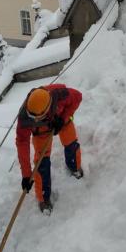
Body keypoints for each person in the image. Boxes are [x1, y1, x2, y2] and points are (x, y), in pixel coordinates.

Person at [16, 84, 83, 214]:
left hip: (61, 119)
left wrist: (62, 119)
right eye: (32, 117)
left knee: (71, 143)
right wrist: (26, 175)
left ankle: (74, 166)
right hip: (41, 132)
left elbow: (78, 97)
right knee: (42, 164)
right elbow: (22, 142)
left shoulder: (60, 94)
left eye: (37, 118)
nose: (33, 119)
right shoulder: (24, 118)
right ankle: (43, 198)